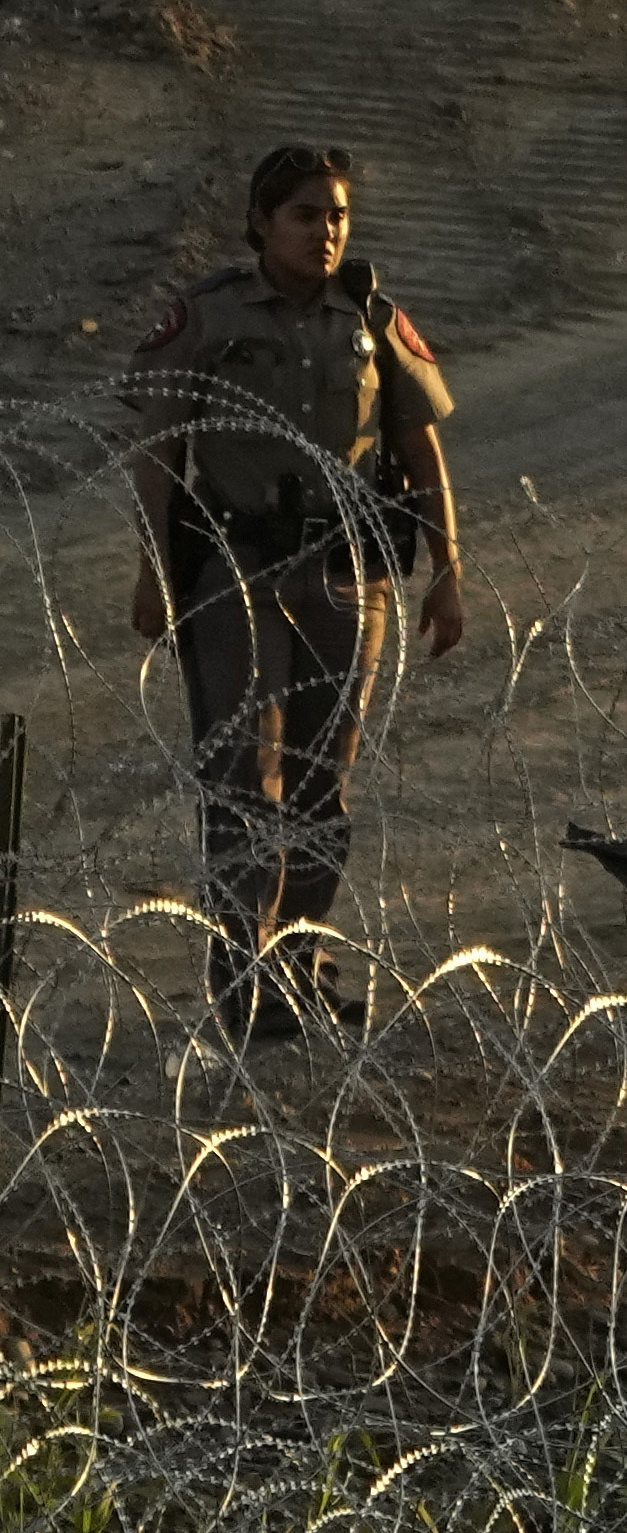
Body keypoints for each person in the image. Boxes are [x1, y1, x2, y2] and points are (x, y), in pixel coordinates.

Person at [123, 143, 473, 1038]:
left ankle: (299, 964)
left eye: (338, 216)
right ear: (262, 223)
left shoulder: (372, 317)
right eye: (306, 215)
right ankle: (244, 977)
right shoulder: (205, 318)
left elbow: (419, 445)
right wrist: (155, 573)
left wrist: (449, 569)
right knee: (247, 777)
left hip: (346, 570)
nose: (325, 232)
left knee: (325, 782)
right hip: (237, 571)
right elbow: (160, 454)